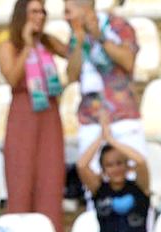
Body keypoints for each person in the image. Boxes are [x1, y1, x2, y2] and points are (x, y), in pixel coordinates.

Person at [0, 0, 65, 232]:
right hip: (23, 112)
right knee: (21, 177)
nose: (40, 16)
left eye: (42, 11)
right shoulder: (8, 45)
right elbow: (13, 78)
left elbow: (73, 53)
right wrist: (27, 46)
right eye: (34, 11)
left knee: (51, 177)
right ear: (22, 15)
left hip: (49, 113)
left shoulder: (48, 42)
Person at [65, 0, 144, 161]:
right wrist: (79, 43)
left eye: (68, 11)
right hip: (91, 118)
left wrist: (99, 37)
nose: (65, 17)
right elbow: (72, 76)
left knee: (132, 178)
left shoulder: (118, 26)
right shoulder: (76, 33)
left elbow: (128, 62)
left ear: (84, 9)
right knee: (92, 182)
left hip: (122, 116)